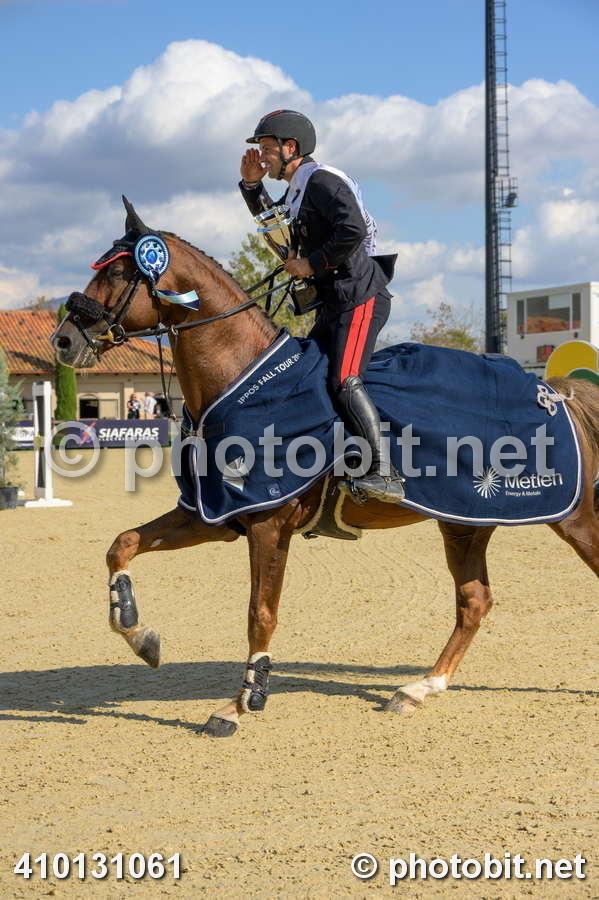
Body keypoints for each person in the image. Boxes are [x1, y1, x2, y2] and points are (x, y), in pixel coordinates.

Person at [239, 109, 404, 503]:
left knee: (344, 380)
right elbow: (277, 230)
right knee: (309, 374)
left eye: (267, 149)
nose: (262, 156)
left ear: (290, 147)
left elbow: (353, 230)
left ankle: (385, 473)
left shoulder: (322, 180)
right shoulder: (299, 188)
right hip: (334, 302)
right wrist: (251, 186)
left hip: (359, 297)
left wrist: (311, 264)